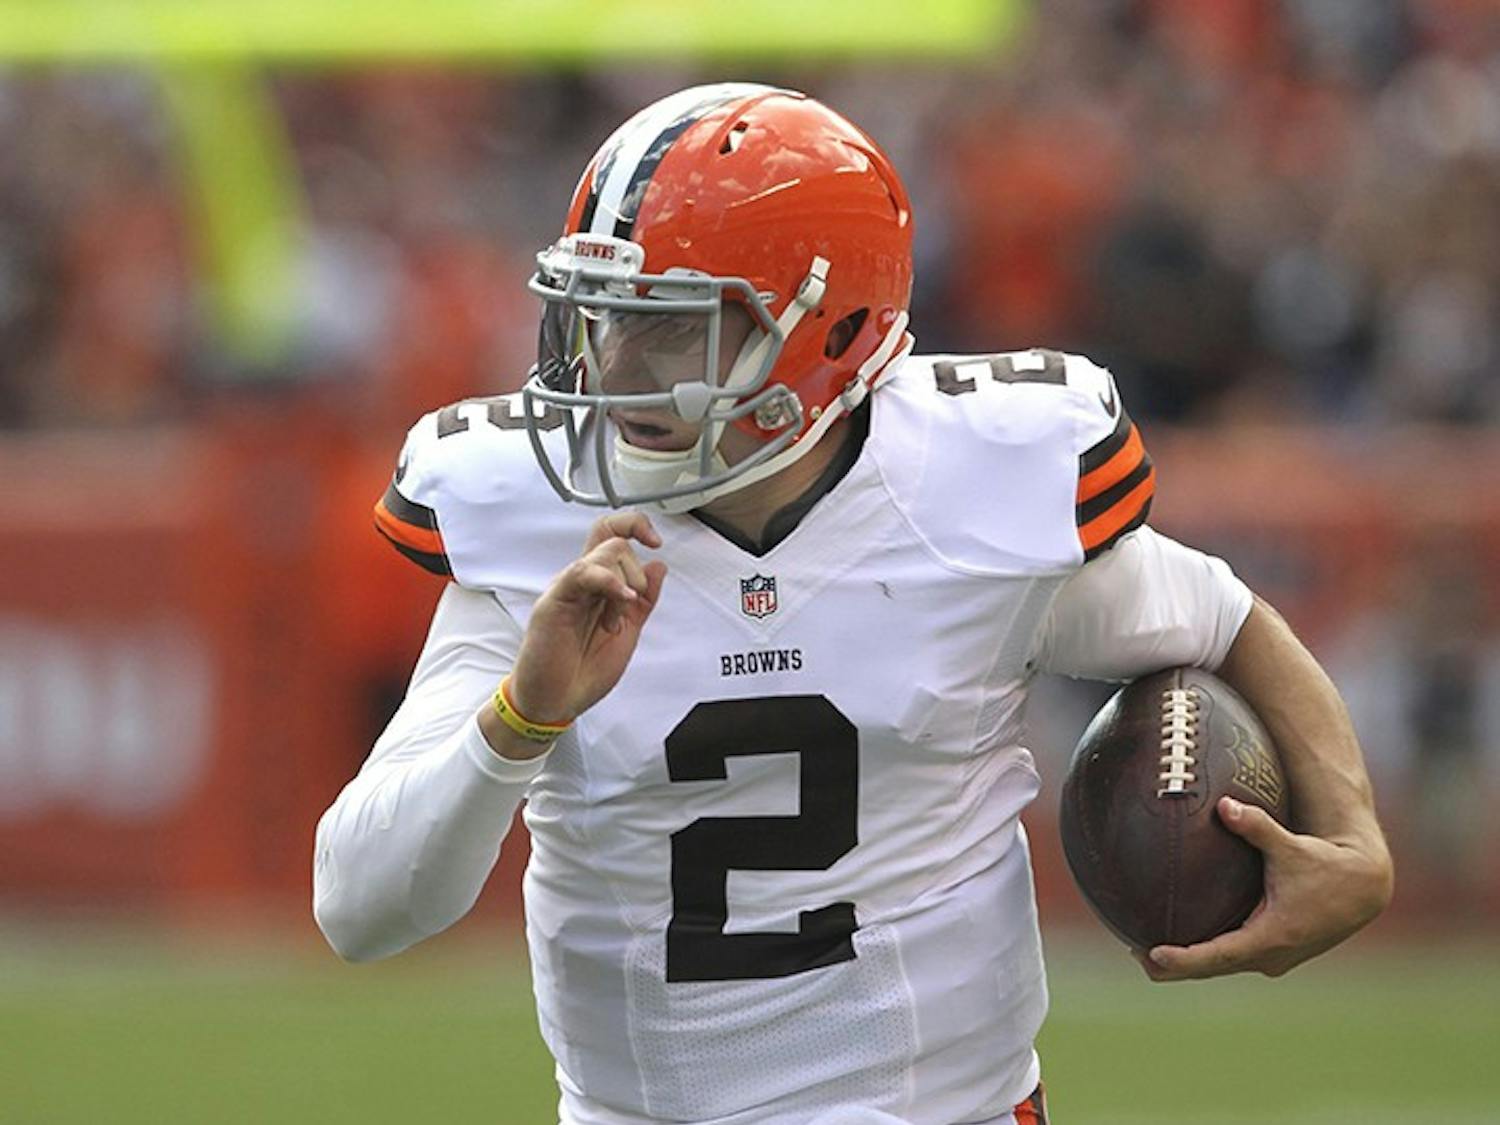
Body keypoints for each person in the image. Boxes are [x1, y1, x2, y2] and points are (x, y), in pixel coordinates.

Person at [313, 84, 1393, 1125]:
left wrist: (1352, 834)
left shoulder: (969, 489)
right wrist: (523, 716)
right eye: (604, 316)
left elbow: (1223, 618)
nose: (615, 369)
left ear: (824, 333)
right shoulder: (540, 531)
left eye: (674, 328)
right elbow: (361, 908)